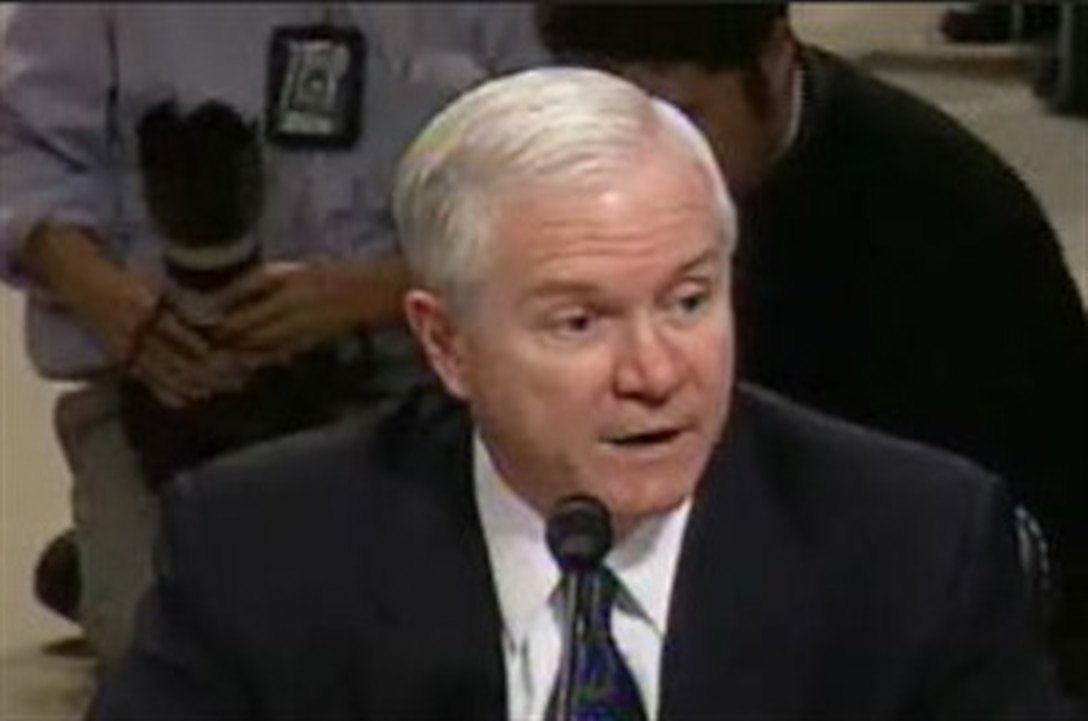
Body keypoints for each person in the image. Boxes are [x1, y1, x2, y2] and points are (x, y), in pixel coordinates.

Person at [87, 66, 1081, 721]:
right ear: (446, 343)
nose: (654, 370)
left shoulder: (913, 545)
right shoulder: (262, 550)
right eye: (579, 321)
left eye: (688, 300)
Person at [535, 3, 1088, 695]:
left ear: (773, 60)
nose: (638, 170)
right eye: (605, 122)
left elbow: (982, 559)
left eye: (685, 120)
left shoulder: (941, 230)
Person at [0, 2, 545, 670]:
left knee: (427, 645)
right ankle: (124, 549)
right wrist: (108, 298)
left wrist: (381, 290)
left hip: (421, 369)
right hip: (171, 382)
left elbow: (562, 181)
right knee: (183, 656)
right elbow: (22, 149)